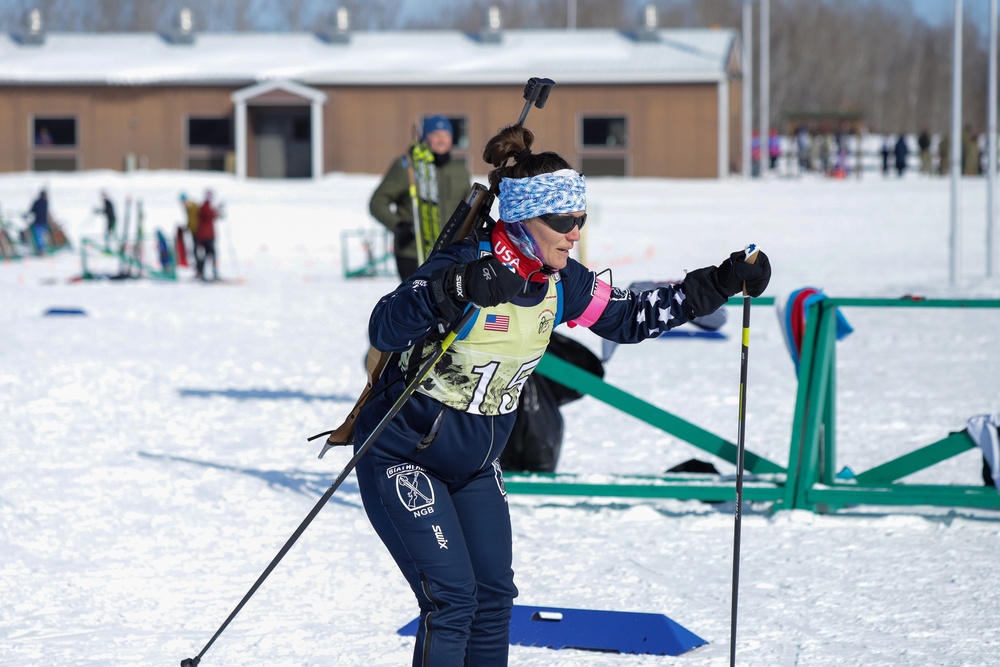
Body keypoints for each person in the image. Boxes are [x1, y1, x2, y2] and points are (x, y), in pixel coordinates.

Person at [351, 124, 771, 666]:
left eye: (581, 219)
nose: (574, 232)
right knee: (452, 603)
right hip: (404, 458)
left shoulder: (559, 279)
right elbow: (384, 328)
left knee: (494, 601)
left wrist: (720, 280)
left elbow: (628, 317)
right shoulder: (462, 263)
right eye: (562, 221)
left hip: (476, 464)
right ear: (524, 218)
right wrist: (452, 289)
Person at [369, 115, 471, 279]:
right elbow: (377, 202)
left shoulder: (459, 170)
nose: (441, 140)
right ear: (425, 138)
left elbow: (470, 208)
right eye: (436, 135)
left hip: (450, 251)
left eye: (445, 135)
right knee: (418, 302)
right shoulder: (407, 166)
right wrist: (398, 226)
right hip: (412, 252)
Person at [194, 189, 222, 281]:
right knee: (210, 254)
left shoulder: (207, 206)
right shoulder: (205, 206)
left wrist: (217, 211)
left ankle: (203, 272)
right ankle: (204, 272)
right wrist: (218, 212)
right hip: (206, 236)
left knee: (209, 254)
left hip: (207, 235)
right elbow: (209, 215)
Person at [24, 188, 50, 255]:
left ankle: (40, 250)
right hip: (44, 222)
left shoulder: (37, 202)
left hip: (38, 222)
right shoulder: (45, 202)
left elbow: (31, 210)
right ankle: (42, 250)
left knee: (39, 237)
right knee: (41, 237)